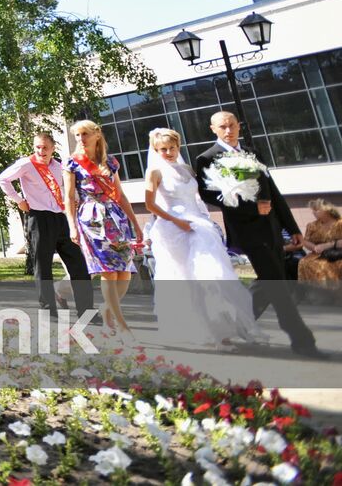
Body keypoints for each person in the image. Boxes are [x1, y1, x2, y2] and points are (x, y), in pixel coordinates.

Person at [193, 110, 323, 358]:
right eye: (222, 127)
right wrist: (251, 206)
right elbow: (211, 195)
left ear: (239, 126)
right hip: (247, 231)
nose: (228, 130)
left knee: (268, 281)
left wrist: (292, 228)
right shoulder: (207, 158)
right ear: (213, 129)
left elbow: (273, 191)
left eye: (232, 125)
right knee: (277, 285)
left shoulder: (253, 153)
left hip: (272, 228)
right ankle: (302, 340)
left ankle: (238, 325)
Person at [140, 127, 259, 346]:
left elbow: (200, 196)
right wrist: (177, 221)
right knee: (187, 279)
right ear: (156, 150)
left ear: (178, 146)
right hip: (173, 228)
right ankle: (200, 330)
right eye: (163, 149)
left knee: (212, 274)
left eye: (172, 148)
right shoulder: (154, 172)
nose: (168, 152)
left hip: (198, 225)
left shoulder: (186, 168)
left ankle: (221, 329)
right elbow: (150, 204)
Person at [0, 132, 94, 319]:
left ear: (52, 148)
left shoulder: (59, 166)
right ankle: (49, 311)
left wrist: (75, 201)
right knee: (43, 266)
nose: (41, 151)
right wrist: (18, 200)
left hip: (61, 218)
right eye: (37, 147)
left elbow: (67, 189)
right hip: (39, 219)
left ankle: (86, 311)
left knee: (79, 266)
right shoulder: (26, 164)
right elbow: (3, 179)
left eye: (45, 147)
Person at [66, 120, 143, 337]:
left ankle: (107, 308)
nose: (81, 139)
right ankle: (122, 326)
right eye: (78, 135)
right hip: (91, 220)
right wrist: (72, 226)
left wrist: (136, 223)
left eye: (85, 134)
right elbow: (69, 197)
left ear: (97, 135)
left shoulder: (111, 162)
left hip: (116, 218)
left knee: (125, 271)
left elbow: (120, 194)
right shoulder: (72, 163)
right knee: (108, 271)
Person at [297, 199, 342, 286]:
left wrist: (327, 245)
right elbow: (305, 241)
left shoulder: (339, 223)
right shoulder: (312, 225)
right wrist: (314, 247)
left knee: (327, 265)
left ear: (326, 210)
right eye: (312, 210)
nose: (313, 213)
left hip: (337, 254)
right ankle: (315, 292)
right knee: (304, 262)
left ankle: (335, 292)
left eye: (316, 210)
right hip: (318, 254)